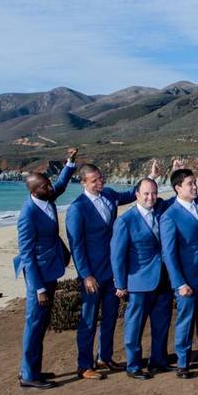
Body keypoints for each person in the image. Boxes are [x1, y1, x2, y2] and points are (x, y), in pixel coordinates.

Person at [67, 160, 162, 379]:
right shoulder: (76, 208)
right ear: (82, 183)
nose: (100, 182)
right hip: (92, 272)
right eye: (94, 181)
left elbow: (133, 194)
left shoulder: (109, 194)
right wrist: (85, 275)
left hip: (113, 270)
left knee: (110, 317)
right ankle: (84, 365)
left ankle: (105, 357)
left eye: (101, 178)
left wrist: (152, 176)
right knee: (88, 320)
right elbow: (76, 245)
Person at [13, 148, 77, 389]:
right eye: (45, 186)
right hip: (38, 275)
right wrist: (38, 288)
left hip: (50, 268)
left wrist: (70, 163)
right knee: (35, 323)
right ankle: (29, 375)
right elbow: (27, 255)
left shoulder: (46, 198)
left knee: (41, 323)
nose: (51, 188)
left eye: (49, 184)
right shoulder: (27, 215)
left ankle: (32, 369)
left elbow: (61, 184)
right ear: (34, 191)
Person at [111, 172, 177, 380]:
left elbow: (178, 198)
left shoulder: (161, 210)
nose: (151, 198)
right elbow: (117, 256)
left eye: (154, 193)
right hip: (138, 282)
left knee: (162, 323)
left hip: (163, 280)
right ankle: (133, 365)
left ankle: (159, 361)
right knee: (135, 326)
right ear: (137, 194)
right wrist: (120, 284)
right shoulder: (125, 221)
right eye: (146, 194)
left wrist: (175, 173)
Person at [159, 166, 198, 379]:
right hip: (186, 280)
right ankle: (183, 363)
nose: (195, 187)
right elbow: (169, 254)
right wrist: (179, 283)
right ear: (177, 188)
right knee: (185, 321)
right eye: (190, 184)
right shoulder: (169, 216)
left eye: (195, 182)